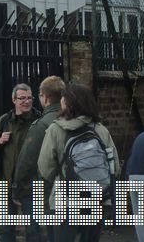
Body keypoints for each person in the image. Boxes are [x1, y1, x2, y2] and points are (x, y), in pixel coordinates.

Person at [38, 82, 119, 242]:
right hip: (96, 200)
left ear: (67, 102)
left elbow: (45, 167)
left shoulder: (56, 129)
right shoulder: (100, 129)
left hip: (65, 202)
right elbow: (114, 166)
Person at [12, 75, 66, 242]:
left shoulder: (41, 124)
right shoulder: (72, 119)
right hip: (71, 185)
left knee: (41, 232)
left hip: (45, 190)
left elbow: (27, 161)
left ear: (45, 97)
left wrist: (17, 189)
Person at [0, 83, 39, 242]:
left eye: (29, 98)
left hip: (31, 184)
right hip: (5, 182)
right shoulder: (4, 120)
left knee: (33, 228)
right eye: (22, 98)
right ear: (14, 100)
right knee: (5, 229)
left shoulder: (39, 121)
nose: (26, 101)